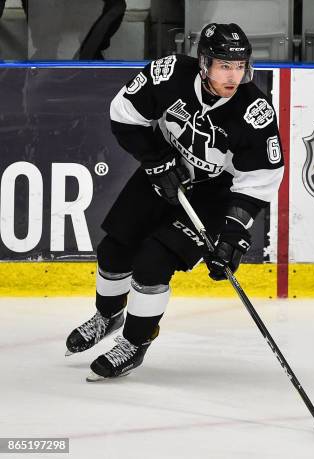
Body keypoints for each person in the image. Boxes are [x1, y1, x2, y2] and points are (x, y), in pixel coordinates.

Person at [65, 23, 284, 381]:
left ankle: (134, 342)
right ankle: (107, 316)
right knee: (115, 250)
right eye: (224, 65)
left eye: (240, 65)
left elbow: (260, 178)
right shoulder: (169, 75)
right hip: (165, 170)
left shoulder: (253, 112)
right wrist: (155, 159)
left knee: (153, 262)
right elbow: (125, 114)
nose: (233, 75)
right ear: (204, 63)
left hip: (216, 193)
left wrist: (231, 234)